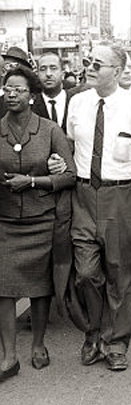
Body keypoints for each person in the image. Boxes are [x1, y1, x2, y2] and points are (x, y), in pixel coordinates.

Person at [67, 44, 131, 372]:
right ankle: (94, 332)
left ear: (118, 72)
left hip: (121, 198)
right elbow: (69, 146)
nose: (89, 68)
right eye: (88, 62)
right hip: (82, 196)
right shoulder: (77, 102)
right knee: (86, 274)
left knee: (121, 275)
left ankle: (117, 342)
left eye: (98, 64)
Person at [0, 66, 76, 380]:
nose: (11, 94)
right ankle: (9, 354)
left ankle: (39, 344)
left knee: (39, 288)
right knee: (3, 289)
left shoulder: (49, 131)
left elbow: (69, 175)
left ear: (32, 96)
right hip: (4, 221)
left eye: (18, 89)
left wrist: (32, 181)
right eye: (7, 89)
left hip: (42, 220)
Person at [32, 52, 70, 130]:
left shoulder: (76, 102)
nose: (48, 74)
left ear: (63, 73)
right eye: (43, 69)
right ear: (37, 74)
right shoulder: (31, 105)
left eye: (53, 68)